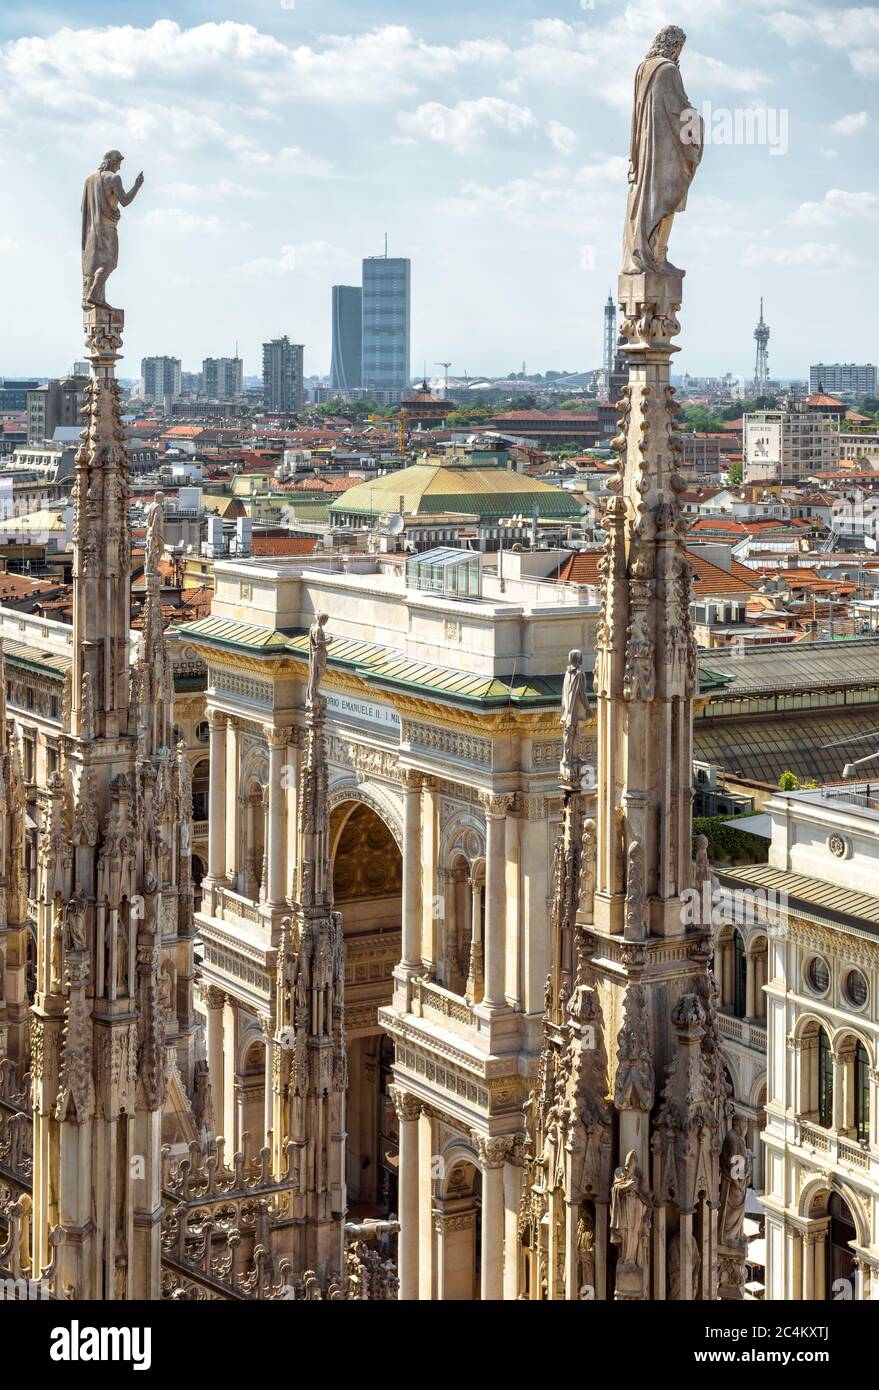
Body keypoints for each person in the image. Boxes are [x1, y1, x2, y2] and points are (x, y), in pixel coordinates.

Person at [81, 151, 144, 310]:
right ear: (112, 162)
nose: (119, 167)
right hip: (108, 227)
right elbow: (125, 201)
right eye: (118, 163)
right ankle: (94, 295)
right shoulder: (114, 178)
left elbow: (83, 207)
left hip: (91, 228)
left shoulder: (89, 179)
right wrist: (137, 185)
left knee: (95, 263)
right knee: (110, 262)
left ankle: (90, 297)